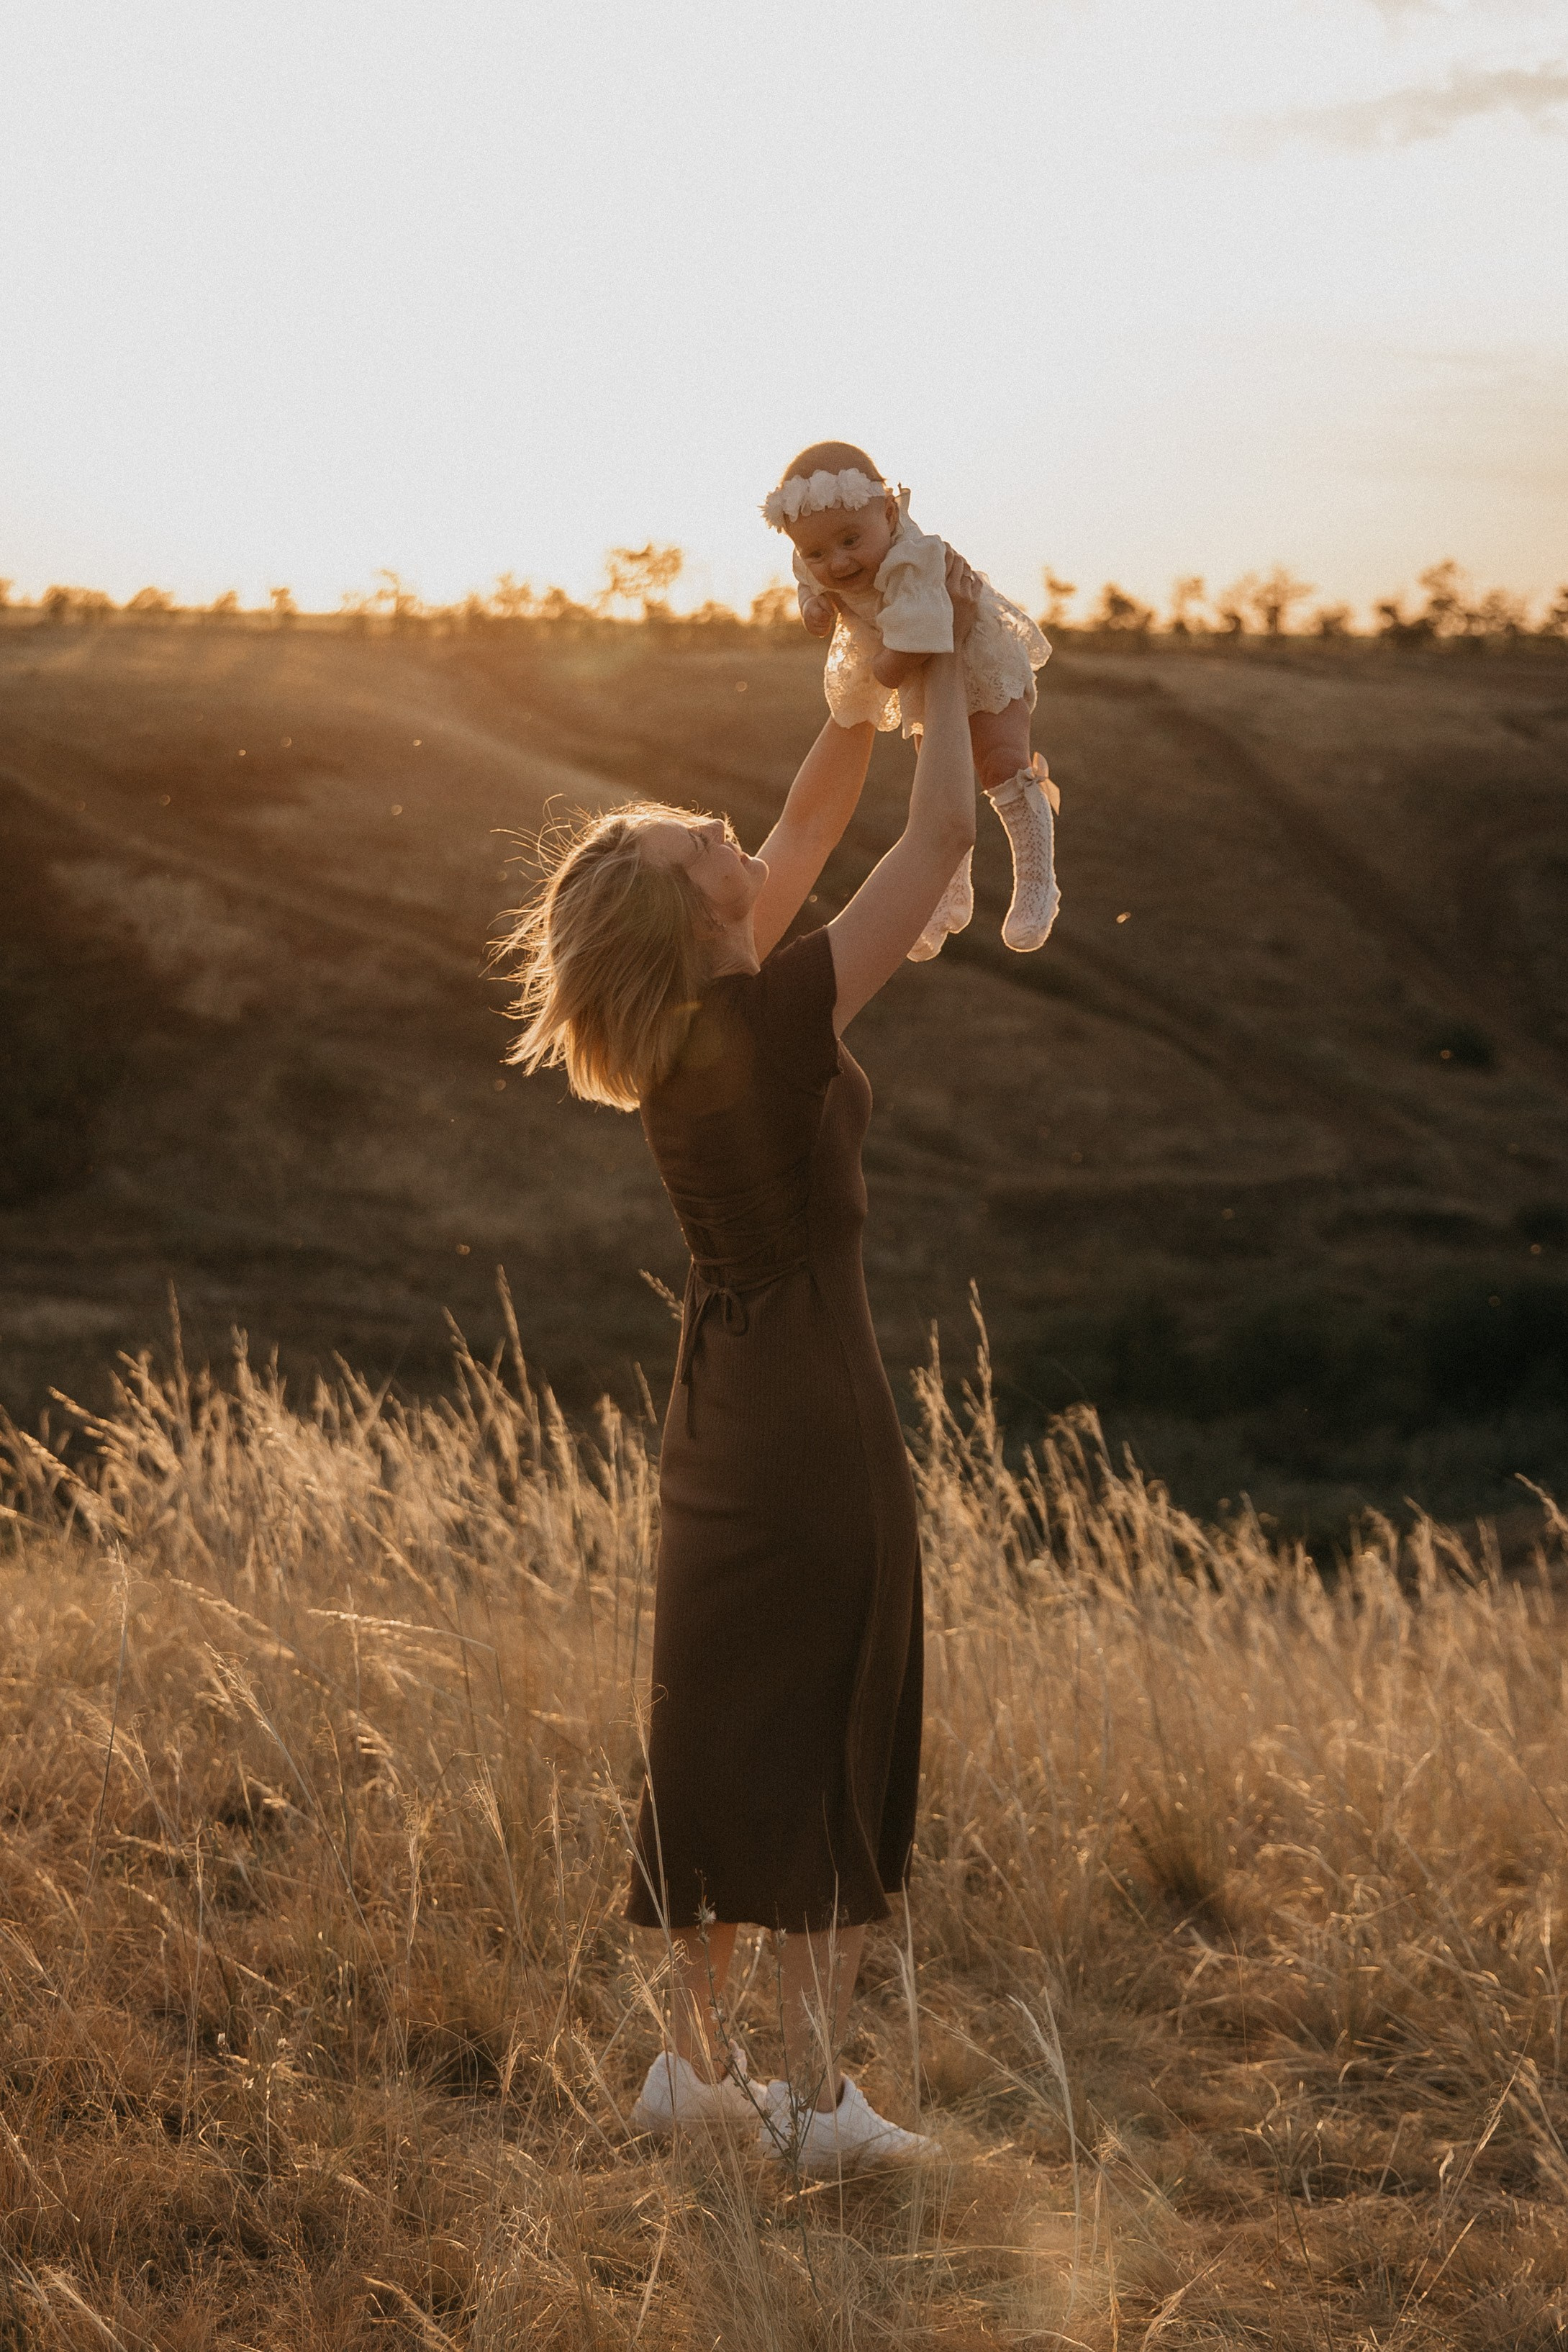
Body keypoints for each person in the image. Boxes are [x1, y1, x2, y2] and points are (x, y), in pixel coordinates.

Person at [499, 558, 983, 2175]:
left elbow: (808, 811)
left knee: (724, 1726)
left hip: (719, 1412)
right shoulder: (767, 1020)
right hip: (808, 1418)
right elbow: (936, 840)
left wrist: (863, 659)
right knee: (828, 1722)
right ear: (691, 912)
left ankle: (688, 2071)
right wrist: (946, 658)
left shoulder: (689, 1027)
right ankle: (818, 2102)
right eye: (689, 846)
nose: (718, 831)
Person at [764, 438, 1060, 961]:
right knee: (937, 780)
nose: (837, 562)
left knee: (1000, 762)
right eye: (817, 552)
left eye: (850, 540)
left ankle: (1038, 881)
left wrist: (875, 675)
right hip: (924, 674)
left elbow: (907, 652)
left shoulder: (914, 562)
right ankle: (946, 894)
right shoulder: (813, 554)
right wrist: (811, 604)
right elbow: (805, 578)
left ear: (888, 512)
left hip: (976, 657)